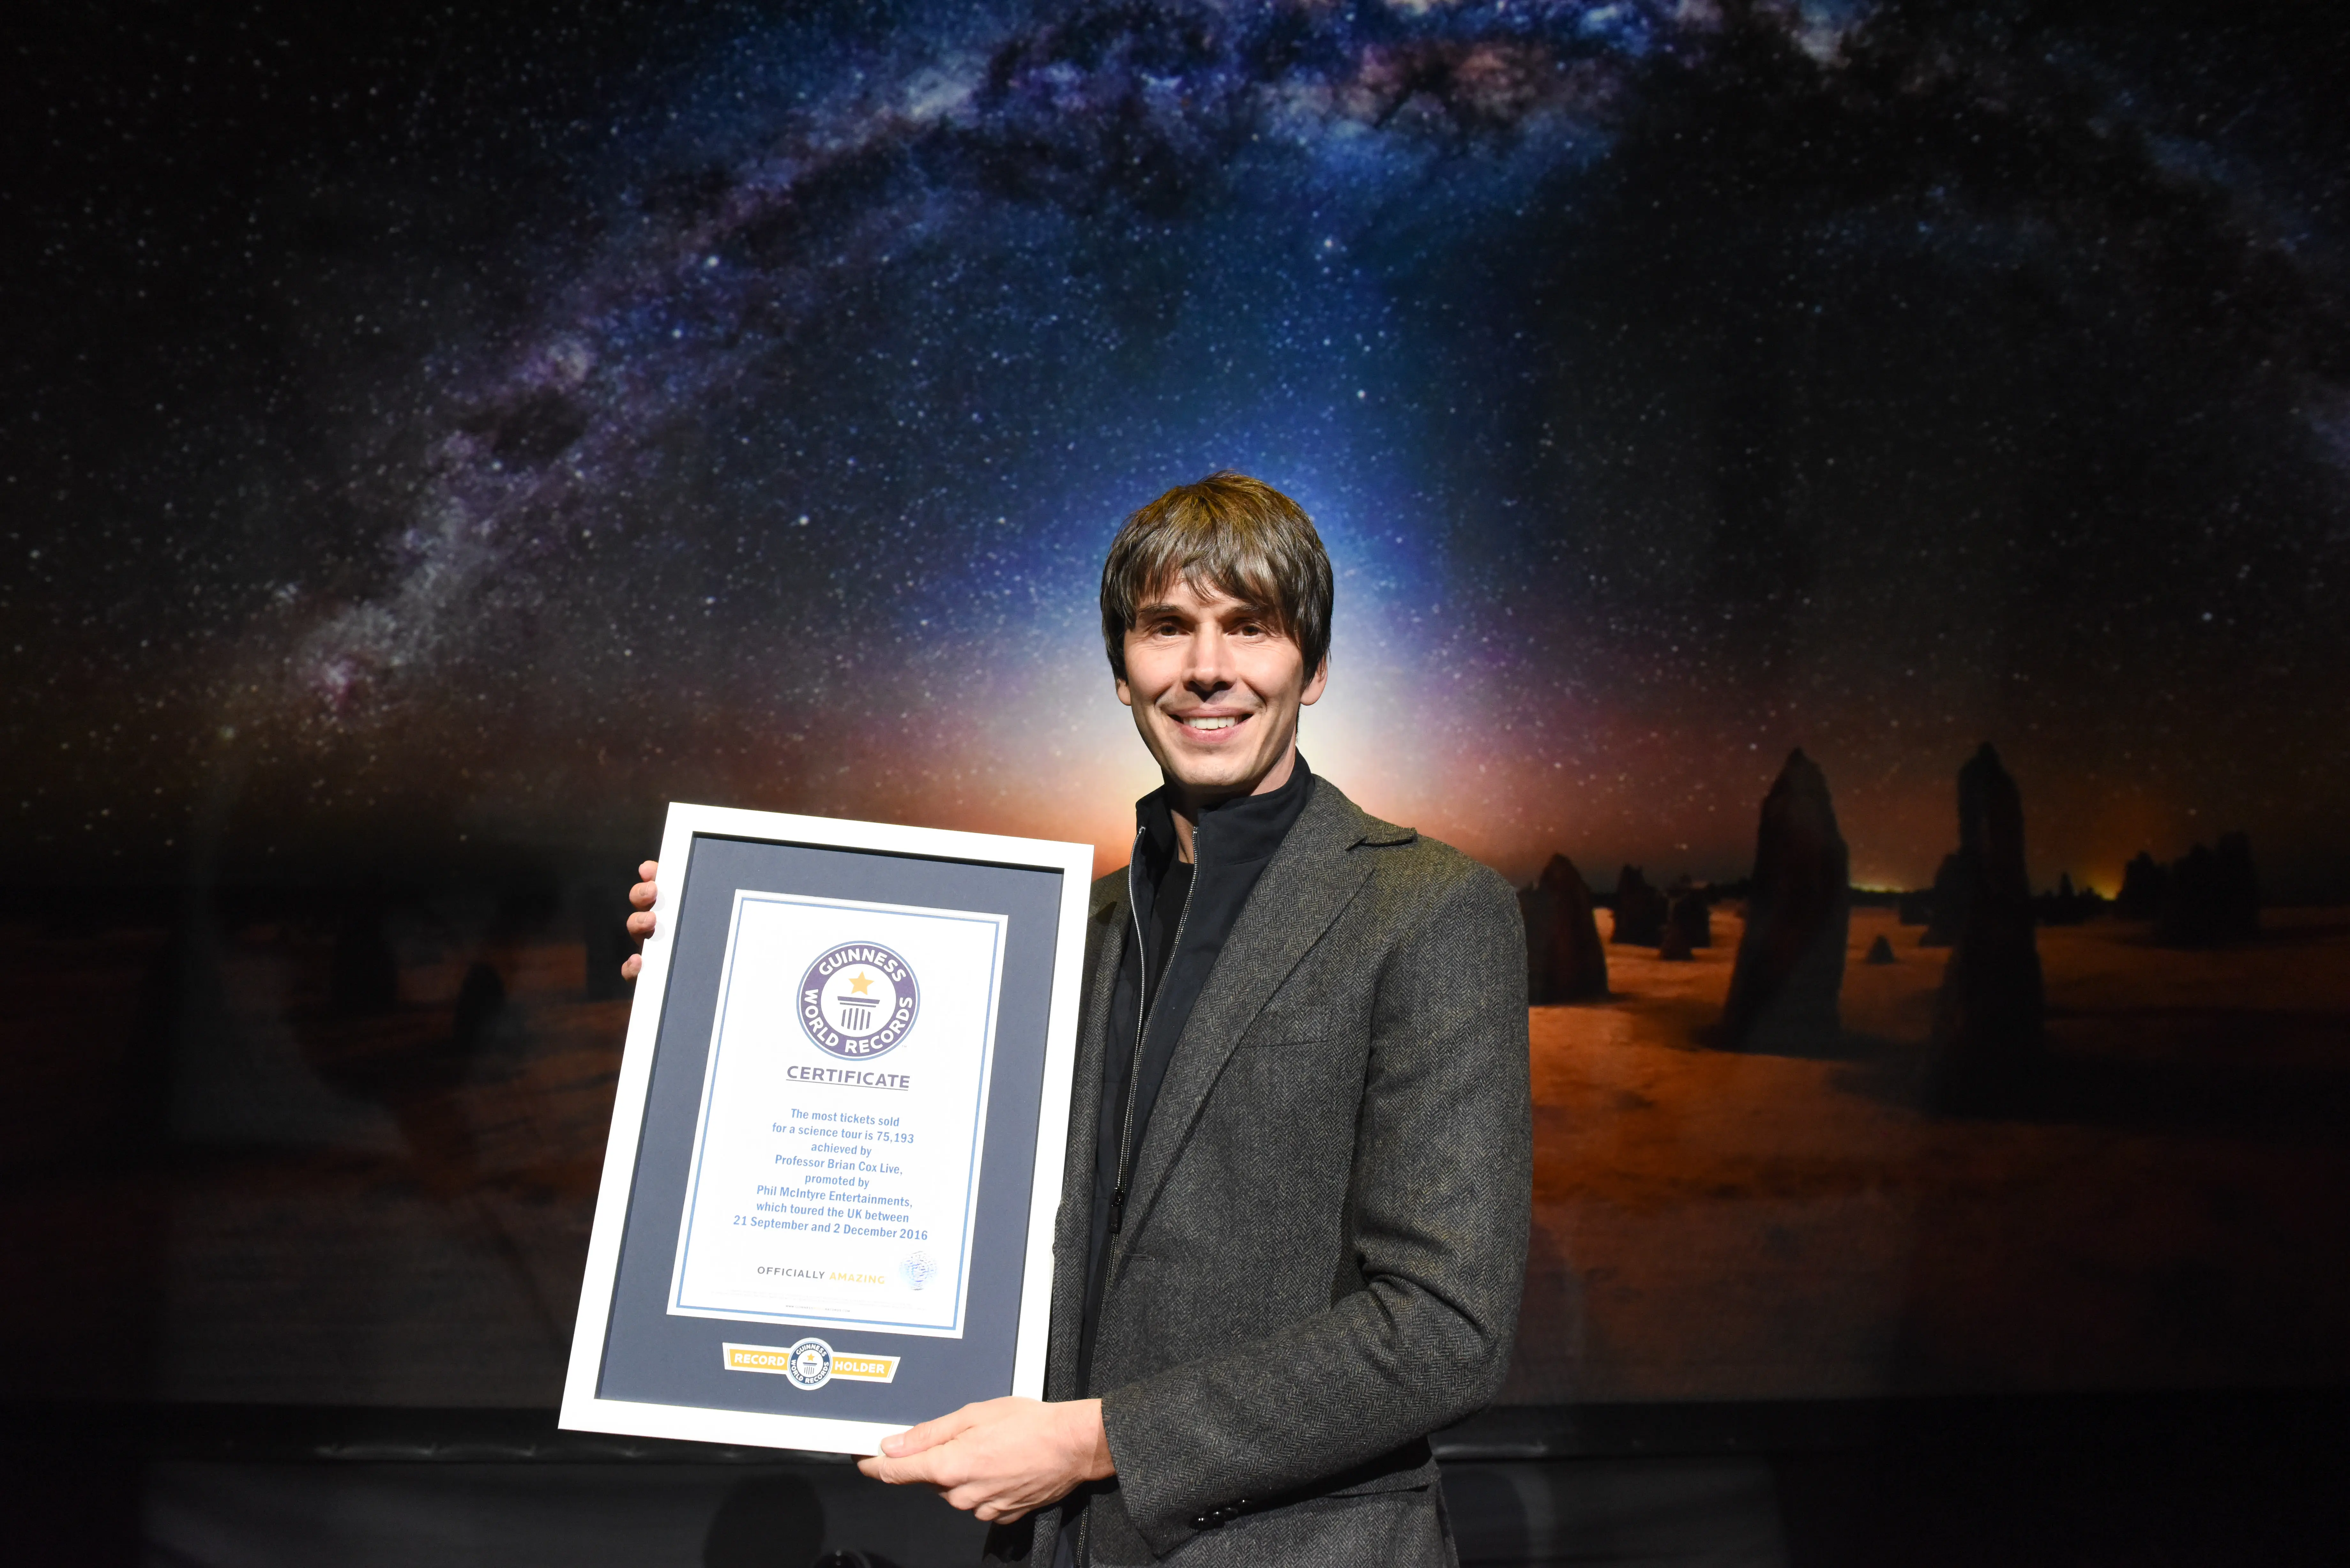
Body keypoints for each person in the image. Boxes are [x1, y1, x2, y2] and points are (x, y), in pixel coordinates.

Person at [625, 473, 1531, 1564]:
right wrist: (730, 975)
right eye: (1167, 628)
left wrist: (1096, 1441)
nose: (1207, 668)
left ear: (1315, 666)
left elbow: (1447, 1333)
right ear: (1121, 672)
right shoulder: (1063, 929)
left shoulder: (1430, 909)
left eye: (1251, 627)